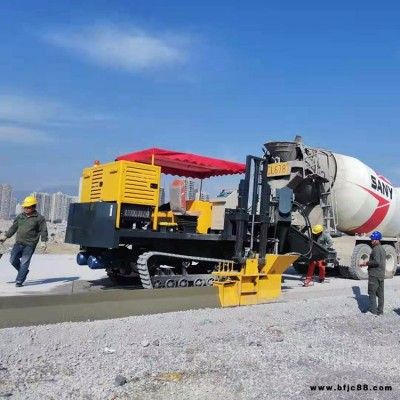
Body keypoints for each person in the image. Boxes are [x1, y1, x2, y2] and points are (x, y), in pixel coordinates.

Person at [0, 196, 48, 287]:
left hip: (30, 244)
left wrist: (43, 242)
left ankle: (19, 281)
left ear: (34, 207)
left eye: (28, 207)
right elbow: (13, 227)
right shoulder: (20, 216)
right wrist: (6, 236)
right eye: (24, 207)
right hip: (19, 243)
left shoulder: (39, 218)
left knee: (24, 262)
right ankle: (24, 271)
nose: (25, 209)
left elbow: (43, 230)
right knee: (13, 260)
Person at [359, 231, 386, 316]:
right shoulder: (382, 248)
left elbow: (376, 262)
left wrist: (365, 263)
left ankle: (372, 311)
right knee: (381, 294)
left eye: (372, 239)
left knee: (372, 292)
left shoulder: (376, 249)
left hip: (374, 274)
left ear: (377, 240)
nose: (371, 241)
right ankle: (380, 311)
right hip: (381, 274)